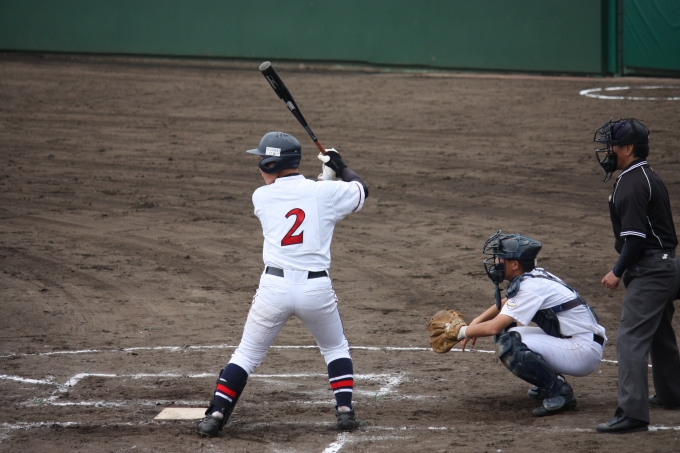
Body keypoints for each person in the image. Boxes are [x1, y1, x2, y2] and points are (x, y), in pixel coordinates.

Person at [196, 131, 368, 437]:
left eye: (262, 159)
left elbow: (303, 200)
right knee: (334, 348)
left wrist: (325, 180)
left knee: (246, 355)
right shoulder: (325, 194)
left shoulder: (261, 197)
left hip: (273, 290)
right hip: (316, 290)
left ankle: (216, 415)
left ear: (271, 164)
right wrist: (339, 168)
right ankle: (344, 411)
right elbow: (360, 190)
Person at [457, 231, 606, 417]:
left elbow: (494, 326)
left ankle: (559, 393)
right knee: (507, 333)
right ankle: (548, 380)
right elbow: (507, 302)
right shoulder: (533, 275)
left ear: (515, 264)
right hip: (578, 340)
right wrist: (476, 322)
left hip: (582, 351)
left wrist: (461, 331)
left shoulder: (530, 288)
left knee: (509, 344)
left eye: (499, 258)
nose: (495, 262)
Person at [593, 118, 680, 434]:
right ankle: (672, 393)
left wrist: (617, 271)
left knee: (630, 339)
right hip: (666, 266)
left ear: (628, 148)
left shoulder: (632, 183)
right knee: (658, 332)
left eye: (612, 146)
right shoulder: (648, 176)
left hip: (652, 271)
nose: (608, 152)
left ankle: (632, 414)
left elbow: (635, 238)